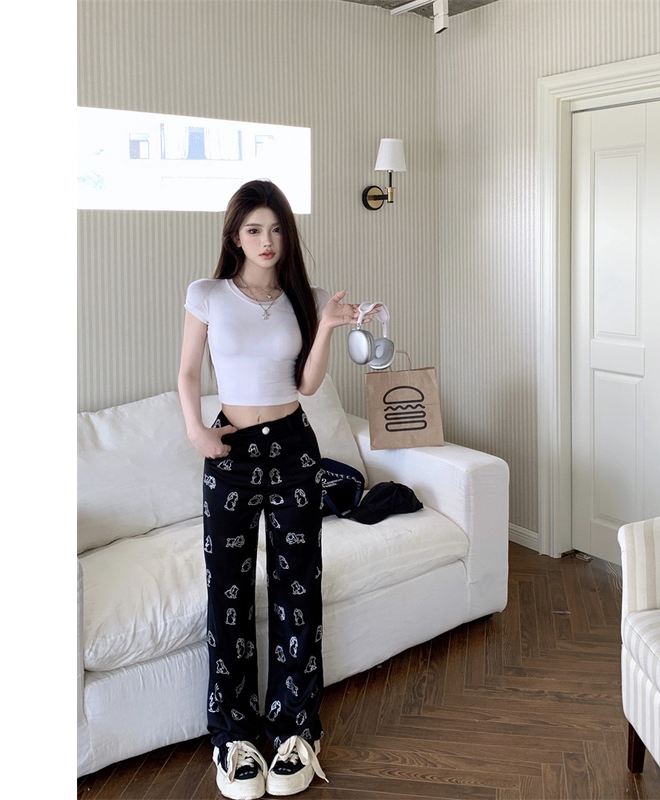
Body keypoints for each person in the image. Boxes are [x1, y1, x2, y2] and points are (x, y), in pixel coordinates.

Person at [178, 179, 374, 799]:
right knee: (228, 591)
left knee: (298, 588)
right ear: (236, 235)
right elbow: (188, 372)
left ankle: (296, 732)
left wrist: (329, 326)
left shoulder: (305, 297)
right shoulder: (208, 294)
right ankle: (233, 737)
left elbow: (308, 384)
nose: (267, 241)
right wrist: (196, 433)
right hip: (231, 452)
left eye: (277, 229)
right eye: (254, 229)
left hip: (293, 449)